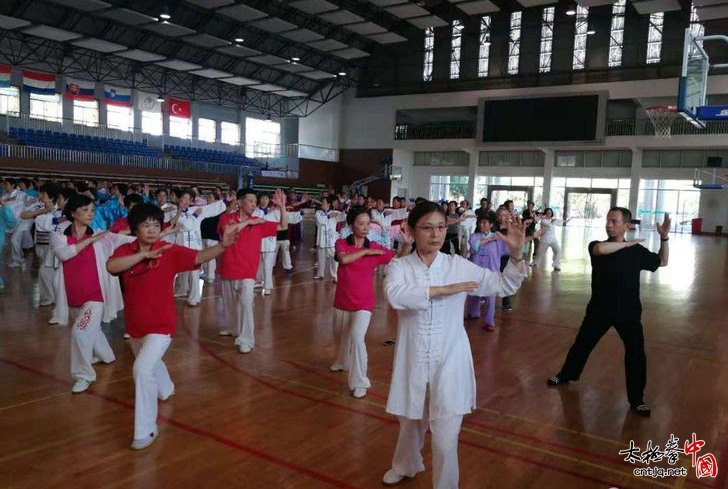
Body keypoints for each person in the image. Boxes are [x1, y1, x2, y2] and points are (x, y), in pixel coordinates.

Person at [381, 201, 529, 489]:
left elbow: (502, 286)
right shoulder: (399, 266)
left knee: (446, 435)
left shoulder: (457, 266)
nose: (435, 234)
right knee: (410, 421)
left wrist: (516, 253)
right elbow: (396, 296)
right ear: (410, 230)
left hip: (450, 359)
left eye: (440, 227)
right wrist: (444, 290)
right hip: (413, 357)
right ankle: (406, 464)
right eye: (427, 227)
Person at [106, 203, 245, 450]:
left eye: (156, 225)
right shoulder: (125, 250)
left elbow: (198, 256)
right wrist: (142, 256)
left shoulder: (169, 250)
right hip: (136, 324)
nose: (151, 230)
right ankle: (167, 387)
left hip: (162, 324)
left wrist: (223, 246)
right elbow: (111, 267)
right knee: (149, 362)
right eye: (146, 225)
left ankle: (146, 429)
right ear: (135, 228)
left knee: (141, 369)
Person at [547, 208, 670, 417]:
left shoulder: (637, 252)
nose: (609, 224)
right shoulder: (597, 245)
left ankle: (637, 399)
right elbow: (602, 251)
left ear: (627, 225)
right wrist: (629, 243)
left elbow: (662, 261)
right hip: (599, 308)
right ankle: (566, 374)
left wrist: (664, 238)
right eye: (608, 220)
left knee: (636, 353)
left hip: (629, 312)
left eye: (614, 221)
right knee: (583, 344)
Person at [50, 194, 135, 393]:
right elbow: (64, 254)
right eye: (85, 210)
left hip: (95, 297)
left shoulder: (100, 235)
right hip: (71, 296)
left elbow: (127, 239)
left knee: (80, 332)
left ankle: (83, 375)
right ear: (73, 213)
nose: (90, 214)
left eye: (92, 210)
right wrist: (88, 241)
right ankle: (107, 356)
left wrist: (157, 235)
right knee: (90, 329)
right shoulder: (59, 235)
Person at [330, 206, 397, 399]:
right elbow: (344, 260)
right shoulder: (341, 243)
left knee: (357, 337)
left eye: (368, 223)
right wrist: (366, 252)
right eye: (361, 223)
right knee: (341, 335)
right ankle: (342, 361)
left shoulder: (374, 247)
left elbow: (396, 257)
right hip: (343, 300)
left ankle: (360, 381)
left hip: (364, 303)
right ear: (352, 225)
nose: (366, 227)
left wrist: (408, 246)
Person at [216, 188, 288, 353]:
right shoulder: (226, 218)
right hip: (228, 267)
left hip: (248, 271)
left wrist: (282, 207)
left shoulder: (258, 222)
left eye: (255, 202)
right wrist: (247, 222)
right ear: (240, 202)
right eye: (251, 201)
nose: (254, 204)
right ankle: (234, 328)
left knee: (246, 303)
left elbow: (283, 226)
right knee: (230, 303)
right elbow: (228, 232)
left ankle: (246, 339)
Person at [171, 188, 226, 306]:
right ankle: (181, 290)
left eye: (188, 199)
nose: (185, 201)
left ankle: (194, 298)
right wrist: (193, 216)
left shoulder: (196, 209)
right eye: (183, 198)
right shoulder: (173, 212)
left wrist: (226, 202)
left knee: (194, 273)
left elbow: (211, 209)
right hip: (181, 246)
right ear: (179, 199)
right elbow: (182, 225)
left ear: (191, 201)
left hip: (195, 246)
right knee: (181, 271)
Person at [465, 212, 508, 331]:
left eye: (484, 223)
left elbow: (509, 248)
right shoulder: (474, 236)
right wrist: (488, 239)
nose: (481, 225)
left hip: (492, 272)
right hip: (476, 270)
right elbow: (474, 248)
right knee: (473, 292)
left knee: (490, 296)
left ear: (491, 224)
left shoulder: (498, 238)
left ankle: (489, 322)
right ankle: (473, 313)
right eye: (480, 222)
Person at [314, 196, 344, 281]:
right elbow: (320, 221)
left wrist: (345, 209)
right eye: (322, 202)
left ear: (328, 204)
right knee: (320, 258)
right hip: (322, 240)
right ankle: (320, 274)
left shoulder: (334, 212)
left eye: (323, 202)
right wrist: (329, 216)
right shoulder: (318, 213)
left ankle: (335, 275)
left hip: (331, 241)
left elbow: (342, 217)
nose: (322, 204)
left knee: (334, 259)